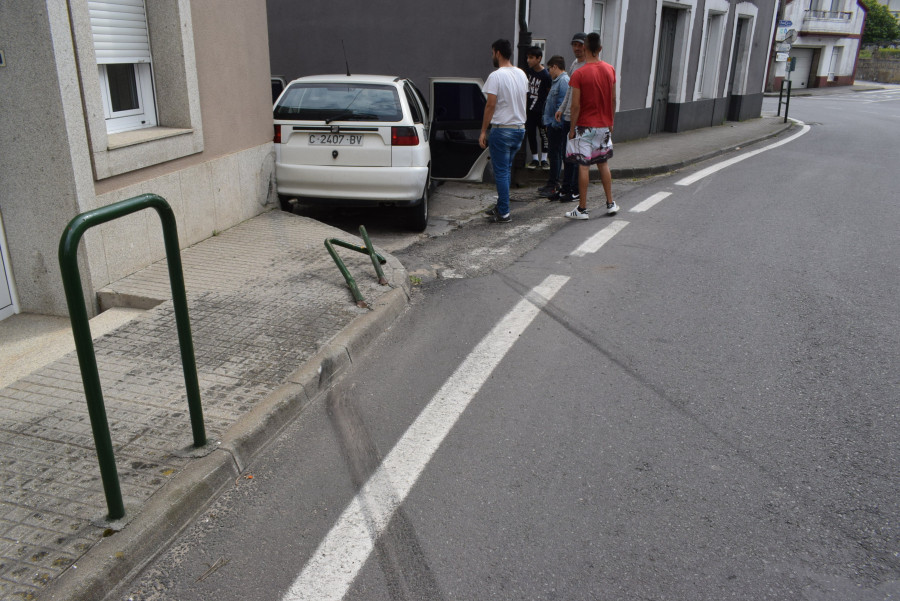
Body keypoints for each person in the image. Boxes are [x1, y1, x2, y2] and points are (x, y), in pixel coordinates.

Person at [564, 32, 619, 220]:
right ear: (600, 49)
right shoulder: (610, 70)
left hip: (584, 126)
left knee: (584, 166)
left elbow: (575, 105)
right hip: (604, 124)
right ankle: (610, 203)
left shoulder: (579, 73)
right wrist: (611, 122)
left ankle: (582, 209)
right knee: (603, 163)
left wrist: (572, 129)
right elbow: (613, 99)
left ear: (585, 48)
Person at [479, 39, 528, 223]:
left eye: (492, 53)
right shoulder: (522, 74)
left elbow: (490, 105)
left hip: (502, 130)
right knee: (506, 170)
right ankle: (501, 206)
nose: (492, 56)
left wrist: (483, 131)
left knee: (500, 172)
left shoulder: (496, 76)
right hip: (519, 129)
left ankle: (504, 212)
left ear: (498, 53)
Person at [552, 32, 587, 202]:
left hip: (578, 119)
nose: (577, 48)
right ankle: (565, 188)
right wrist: (561, 108)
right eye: (574, 45)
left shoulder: (587, 66)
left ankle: (574, 190)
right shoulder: (574, 64)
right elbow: (570, 91)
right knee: (567, 155)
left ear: (586, 46)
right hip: (567, 116)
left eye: (580, 45)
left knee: (574, 156)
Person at [539, 55, 569, 198]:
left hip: (556, 126)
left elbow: (561, 105)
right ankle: (551, 183)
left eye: (550, 68)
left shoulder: (563, 81)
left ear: (555, 67)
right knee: (553, 154)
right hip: (552, 123)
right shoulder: (557, 81)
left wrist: (554, 124)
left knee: (555, 155)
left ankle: (554, 184)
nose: (549, 71)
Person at [525, 46, 552, 171]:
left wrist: (547, 110)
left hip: (541, 110)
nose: (528, 60)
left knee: (543, 134)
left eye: (531, 58)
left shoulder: (546, 75)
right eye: (528, 57)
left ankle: (544, 159)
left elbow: (549, 93)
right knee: (531, 133)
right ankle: (535, 158)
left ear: (539, 58)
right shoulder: (528, 72)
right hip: (530, 109)